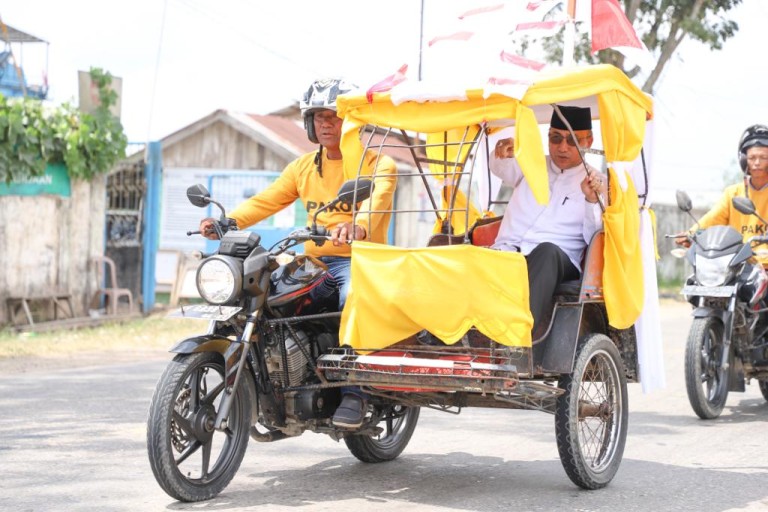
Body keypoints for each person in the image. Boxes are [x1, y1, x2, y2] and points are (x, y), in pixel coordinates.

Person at [199, 77, 397, 428]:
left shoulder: (379, 165)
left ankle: (357, 390)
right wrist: (226, 221)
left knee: (351, 296)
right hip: (313, 263)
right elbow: (267, 200)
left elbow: (377, 202)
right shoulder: (303, 168)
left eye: (334, 115)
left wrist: (358, 225)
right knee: (261, 293)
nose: (326, 123)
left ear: (352, 121)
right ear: (309, 123)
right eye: (318, 116)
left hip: (359, 261)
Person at [490, 105, 607, 338]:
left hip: (558, 261)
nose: (562, 148)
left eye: (572, 141)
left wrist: (591, 200)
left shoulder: (597, 182)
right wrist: (502, 151)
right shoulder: (531, 164)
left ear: (588, 141)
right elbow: (500, 166)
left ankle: (519, 340)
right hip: (507, 253)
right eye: (555, 138)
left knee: (547, 252)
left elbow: (594, 237)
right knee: (465, 256)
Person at [675, 124, 768, 265]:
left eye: (763, 157)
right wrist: (691, 233)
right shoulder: (733, 193)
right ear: (744, 160)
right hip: (739, 264)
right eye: (752, 157)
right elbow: (712, 218)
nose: (756, 162)